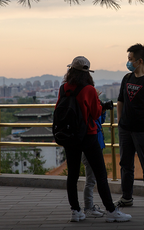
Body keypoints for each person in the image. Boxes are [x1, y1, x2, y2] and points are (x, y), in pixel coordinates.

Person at [57, 56, 131, 223]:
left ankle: (75, 211)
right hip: (88, 135)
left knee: (73, 175)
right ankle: (111, 211)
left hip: (69, 136)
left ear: (70, 71)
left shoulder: (64, 88)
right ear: (87, 73)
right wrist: (99, 104)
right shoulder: (89, 89)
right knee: (100, 174)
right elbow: (96, 114)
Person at [115, 44, 144, 210]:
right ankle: (126, 197)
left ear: (140, 61)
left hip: (143, 130)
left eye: (130, 59)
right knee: (125, 165)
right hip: (125, 130)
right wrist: (120, 121)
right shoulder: (126, 79)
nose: (128, 62)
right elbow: (120, 101)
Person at [82, 109, 107, 218]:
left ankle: (90, 206)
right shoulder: (87, 112)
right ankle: (88, 207)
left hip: (97, 147)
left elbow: (100, 121)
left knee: (93, 179)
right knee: (90, 179)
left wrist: (103, 111)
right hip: (91, 148)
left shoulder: (91, 112)